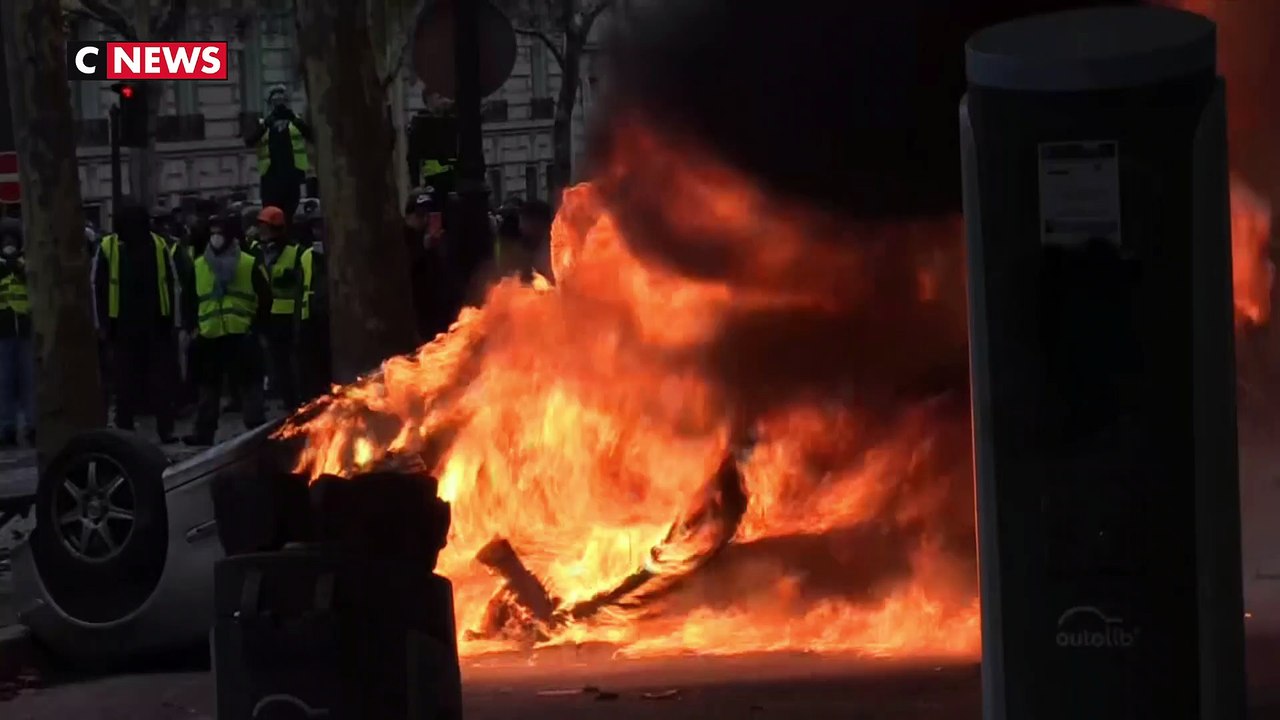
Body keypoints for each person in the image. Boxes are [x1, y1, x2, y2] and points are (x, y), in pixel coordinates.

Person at [91, 201, 182, 443]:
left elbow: (172, 285)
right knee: (125, 383)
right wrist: (102, 325)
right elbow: (97, 287)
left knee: (159, 381)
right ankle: (127, 429)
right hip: (122, 325)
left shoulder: (158, 244)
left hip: (155, 323)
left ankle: (164, 428)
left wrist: (174, 320)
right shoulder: (109, 247)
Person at [180, 214, 271, 446]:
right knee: (208, 389)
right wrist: (192, 328)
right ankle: (203, 432)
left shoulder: (248, 263)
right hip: (210, 335)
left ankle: (257, 430)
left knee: (250, 385)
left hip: (241, 335)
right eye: (212, 233)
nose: (216, 238)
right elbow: (189, 299)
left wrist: (256, 328)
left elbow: (265, 297)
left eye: (220, 233)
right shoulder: (200, 265)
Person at [257, 206, 303, 409]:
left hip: (288, 319)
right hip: (269, 318)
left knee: (290, 366)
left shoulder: (295, 252)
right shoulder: (259, 251)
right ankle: (287, 401)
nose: (260, 230)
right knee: (278, 365)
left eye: (264, 226)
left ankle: (295, 403)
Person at [403, 187, 461, 342]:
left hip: (438, 312)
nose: (424, 220)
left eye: (428, 215)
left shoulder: (437, 239)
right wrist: (423, 248)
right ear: (409, 216)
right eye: (420, 215)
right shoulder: (404, 239)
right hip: (419, 312)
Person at [244, 85, 311, 220]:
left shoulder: (295, 120)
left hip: (292, 176)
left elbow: (310, 135)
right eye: (275, 101)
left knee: (291, 214)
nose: (279, 104)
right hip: (271, 178)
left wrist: (293, 118)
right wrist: (265, 125)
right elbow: (249, 141)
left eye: (282, 101)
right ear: (269, 103)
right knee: (272, 215)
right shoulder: (263, 123)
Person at [0, 219, 34, 445]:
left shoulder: (26, 263)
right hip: (3, 331)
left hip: (24, 329)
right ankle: (7, 427)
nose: (9, 243)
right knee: (5, 383)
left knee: (28, 381)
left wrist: (18, 265)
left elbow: (32, 282)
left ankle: (32, 426)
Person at [295, 201, 331, 400]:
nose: (318, 232)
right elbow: (300, 292)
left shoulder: (340, 252)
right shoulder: (306, 256)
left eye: (321, 226)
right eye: (315, 227)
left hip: (333, 322)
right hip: (311, 323)